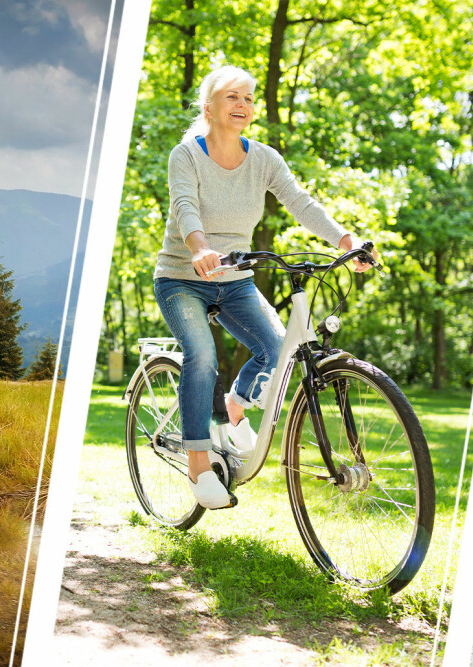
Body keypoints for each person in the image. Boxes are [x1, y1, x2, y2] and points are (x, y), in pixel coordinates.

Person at [154, 66, 374, 509]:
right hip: (182, 278)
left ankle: (235, 406)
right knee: (202, 356)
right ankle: (199, 465)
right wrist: (199, 248)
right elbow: (184, 206)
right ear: (209, 107)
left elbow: (300, 202)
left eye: (249, 98)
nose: (243, 105)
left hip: (235, 281)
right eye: (232, 96)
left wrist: (345, 240)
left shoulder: (264, 159)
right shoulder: (187, 155)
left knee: (277, 347)